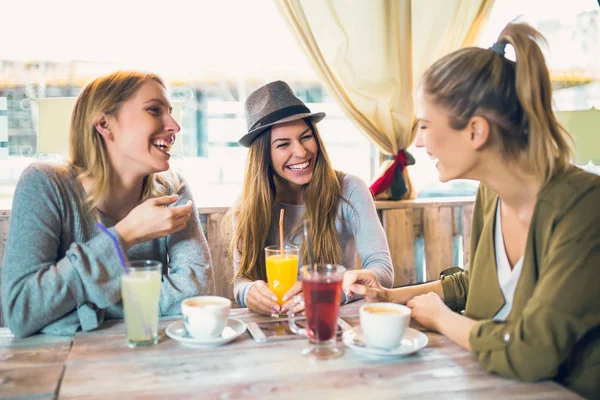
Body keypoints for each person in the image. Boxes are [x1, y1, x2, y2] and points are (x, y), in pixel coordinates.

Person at [343, 23, 599, 399]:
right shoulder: (490, 196)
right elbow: (473, 282)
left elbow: (532, 351)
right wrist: (388, 296)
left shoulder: (584, 207)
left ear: (476, 132)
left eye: (427, 125)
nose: (418, 140)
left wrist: (442, 320)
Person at [1, 71, 215, 338]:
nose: (174, 125)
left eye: (170, 111)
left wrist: (80, 312)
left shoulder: (173, 189)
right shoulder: (44, 185)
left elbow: (196, 293)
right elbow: (21, 310)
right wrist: (124, 236)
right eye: (154, 110)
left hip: (152, 360)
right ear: (104, 124)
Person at [230, 80, 394, 315]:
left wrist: (330, 291)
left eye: (306, 137)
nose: (301, 152)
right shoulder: (246, 204)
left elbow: (383, 271)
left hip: (331, 320)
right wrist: (248, 293)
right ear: (263, 155)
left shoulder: (349, 189)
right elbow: (241, 280)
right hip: (273, 326)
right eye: (283, 144)